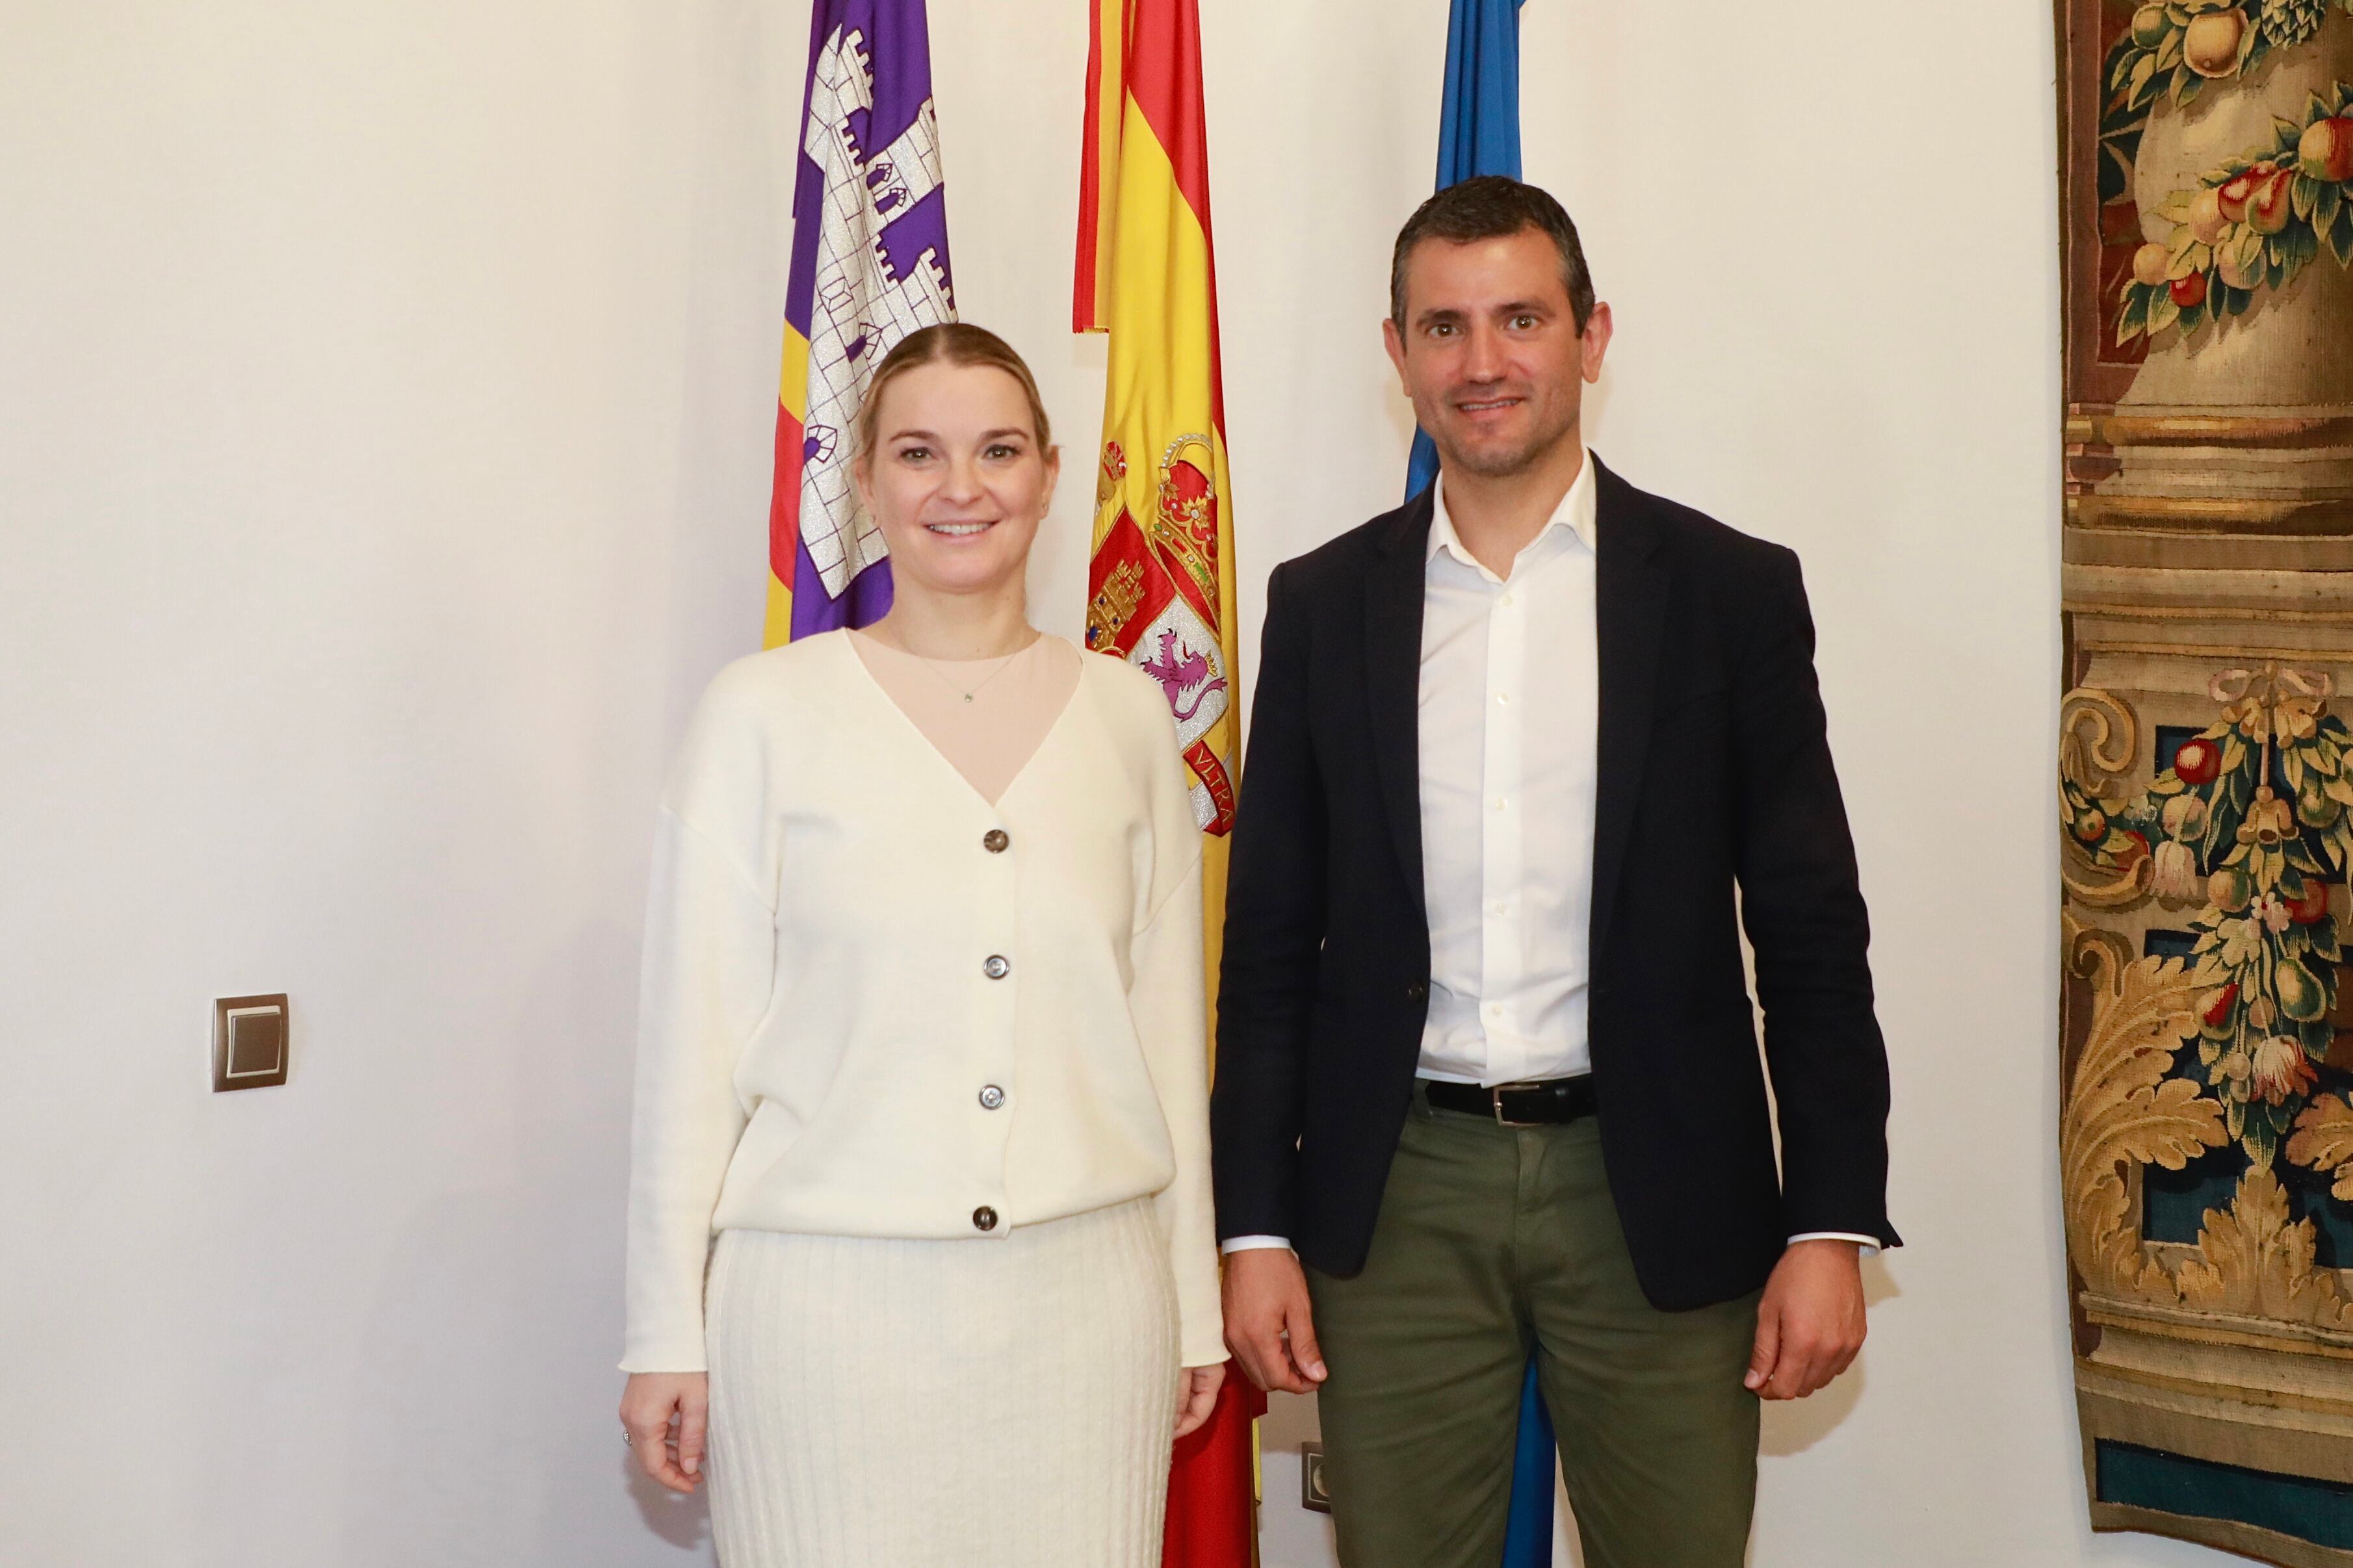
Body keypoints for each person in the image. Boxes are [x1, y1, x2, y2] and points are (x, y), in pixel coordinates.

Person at [1210, 176, 1898, 1568]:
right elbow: (1270, 946)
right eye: (1445, 326)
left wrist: (1829, 1216)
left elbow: (1813, 933)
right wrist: (1252, 1227)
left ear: (1590, 335)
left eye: (1520, 318)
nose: (1483, 362)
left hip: (1657, 1184)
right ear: (1395, 352)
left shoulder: (1727, 594)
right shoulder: (1322, 605)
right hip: (1393, 1195)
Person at [618, 322, 1227, 1567]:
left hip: (1086, 1313)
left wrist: (1193, 1311)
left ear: (1051, 476)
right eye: (920, 452)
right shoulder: (761, 716)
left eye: (998, 449)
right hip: (826, 1315)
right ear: (864, 481)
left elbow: (1170, 1044)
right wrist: (662, 1331)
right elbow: (690, 1055)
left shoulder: (1128, 717)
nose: (962, 487)